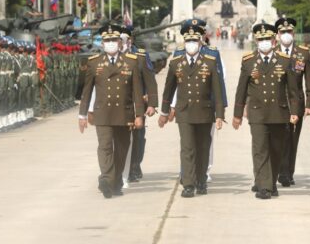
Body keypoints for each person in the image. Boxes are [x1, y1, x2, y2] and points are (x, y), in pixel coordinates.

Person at [232, 23, 300, 200]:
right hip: (257, 112)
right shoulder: (248, 61)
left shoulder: (285, 60)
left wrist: (295, 111)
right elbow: (241, 89)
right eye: (260, 39)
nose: (264, 42)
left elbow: (293, 90)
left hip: (279, 112)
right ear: (256, 40)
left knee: (276, 149)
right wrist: (237, 114)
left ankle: (271, 181)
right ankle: (264, 186)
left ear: (273, 39)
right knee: (260, 148)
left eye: (267, 39)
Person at [78, 24, 145, 198]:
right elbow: (86, 91)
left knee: (122, 149)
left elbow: (137, 90)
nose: (110, 43)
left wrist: (139, 115)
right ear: (102, 43)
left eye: (113, 40)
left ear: (120, 42)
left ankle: (115, 182)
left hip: (124, 112)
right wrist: (82, 114)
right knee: (105, 146)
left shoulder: (131, 61)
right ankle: (106, 179)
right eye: (106, 40)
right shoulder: (94, 63)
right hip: (103, 113)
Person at [158, 23, 224, 198]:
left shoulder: (210, 62)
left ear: (200, 41)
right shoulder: (176, 63)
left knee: (203, 147)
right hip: (184, 111)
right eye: (188, 41)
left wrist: (220, 114)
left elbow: (217, 90)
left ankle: (201, 180)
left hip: (204, 111)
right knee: (187, 148)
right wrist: (164, 112)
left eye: (194, 40)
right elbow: (168, 89)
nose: (191, 44)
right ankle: (188, 184)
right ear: (184, 42)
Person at [274, 17, 310, 187]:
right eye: (282, 32)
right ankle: (279, 171)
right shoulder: (273, 52)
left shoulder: (302, 53)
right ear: (277, 34)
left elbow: (309, 80)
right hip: (277, 102)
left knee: (292, 139)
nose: (286, 35)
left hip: (296, 102)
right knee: (279, 139)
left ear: (293, 33)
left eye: (289, 32)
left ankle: (288, 172)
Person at [119, 26, 158, 182]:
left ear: (131, 40)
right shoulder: (112, 56)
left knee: (138, 137)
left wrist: (152, 103)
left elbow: (150, 80)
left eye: (124, 39)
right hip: (118, 104)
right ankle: (120, 167)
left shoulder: (140, 56)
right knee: (118, 137)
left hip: (138, 103)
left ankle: (134, 165)